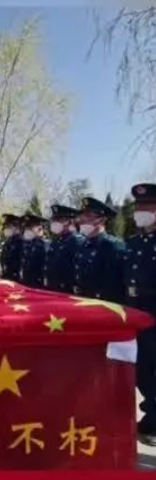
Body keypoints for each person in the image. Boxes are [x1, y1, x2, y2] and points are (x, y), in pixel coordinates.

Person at [124, 183, 156, 446]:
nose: (140, 211)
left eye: (146, 206)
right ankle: (151, 414)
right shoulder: (133, 243)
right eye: (137, 206)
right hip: (137, 314)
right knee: (142, 369)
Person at [73, 197, 125, 302]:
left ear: (101, 219)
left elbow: (117, 285)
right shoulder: (84, 244)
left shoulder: (112, 246)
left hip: (104, 305)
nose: (81, 219)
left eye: (87, 215)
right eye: (81, 215)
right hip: (83, 302)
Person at [44, 205, 84, 294]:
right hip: (53, 290)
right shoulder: (56, 241)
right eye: (54, 220)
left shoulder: (77, 241)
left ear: (70, 221)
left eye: (59, 220)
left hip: (67, 292)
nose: (54, 223)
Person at [20, 214, 49, 289]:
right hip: (26, 282)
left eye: (30, 227)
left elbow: (45, 268)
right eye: (26, 227)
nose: (27, 230)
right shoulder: (28, 244)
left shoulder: (42, 245)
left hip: (37, 284)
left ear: (39, 228)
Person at [0, 214, 23, 282]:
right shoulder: (8, 242)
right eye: (5, 226)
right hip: (6, 277)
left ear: (16, 227)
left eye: (9, 226)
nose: (6, 229)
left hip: (16, 280)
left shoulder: (20, 243)